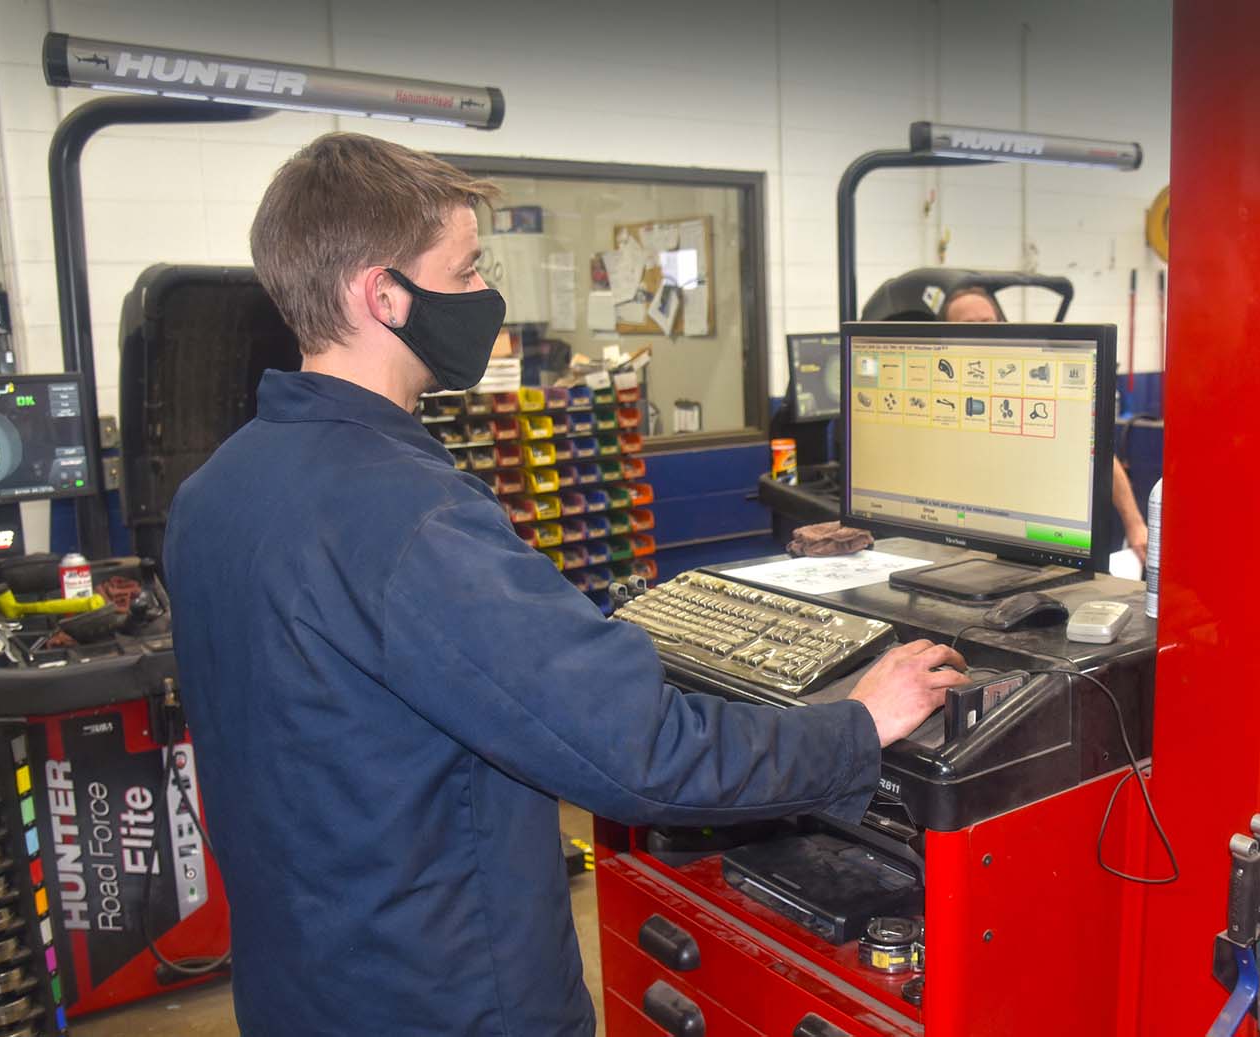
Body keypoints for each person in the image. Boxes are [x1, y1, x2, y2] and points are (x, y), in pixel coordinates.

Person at [163, 132, 971, 1037]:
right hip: (444, 1000)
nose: (483, 298)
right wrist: (854, 726)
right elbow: (642, 753)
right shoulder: (408, 517)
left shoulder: (214, 492)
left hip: (297, 987)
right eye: (466, 271)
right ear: (382, 294)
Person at [942, 287, 1150, 563]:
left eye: (987, 323)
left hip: (1029, 540)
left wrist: (1135, 524)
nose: (982, 333)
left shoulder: (1034, 382)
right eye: (967, 326)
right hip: (955, 542)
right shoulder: (938, 394)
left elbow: (1097, 454)